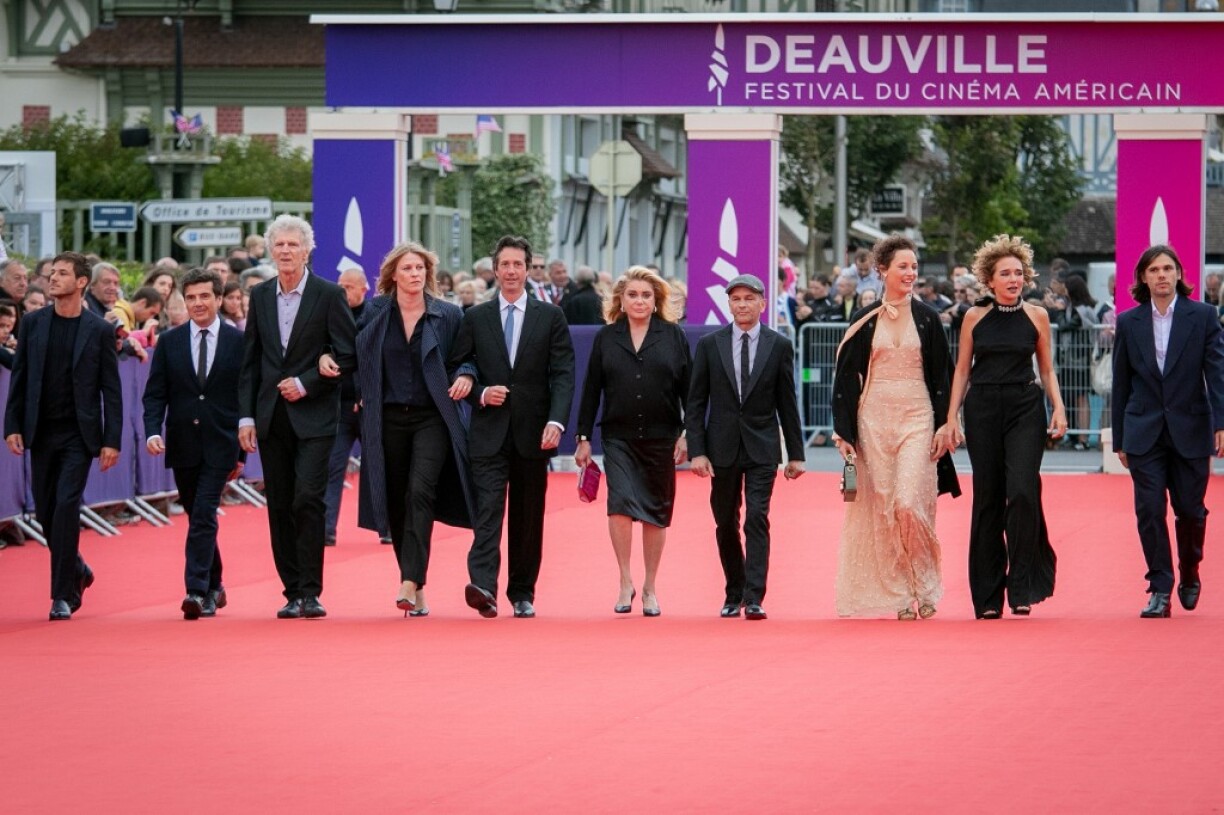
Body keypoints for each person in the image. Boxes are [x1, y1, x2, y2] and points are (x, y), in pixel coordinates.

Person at [326, 242, 475, 617]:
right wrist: (332, 362)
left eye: (420, 268)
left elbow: (466, 357)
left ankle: (409, 580)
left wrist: (466, 376)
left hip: (432, 417)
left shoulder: (447, 314)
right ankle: (416, 586)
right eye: (407, 268)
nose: (415, 274)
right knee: (394, 500)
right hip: (386, 417)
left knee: (420, 492)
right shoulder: (374, 311)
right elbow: (350, 350)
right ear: (393, 275)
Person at [832, 235, 960, 621]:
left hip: (918, 416)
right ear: (882, 270)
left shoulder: (928, 318)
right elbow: (845, 378)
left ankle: (926, 582)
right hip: (874, 419)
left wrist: (948, 422)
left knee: (908, 503)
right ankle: (902, 592)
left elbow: (944, 374)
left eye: (914, 266)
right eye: (903, 266)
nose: (910, 273)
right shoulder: (865, 318)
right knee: (885, 507)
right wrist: (844, 432)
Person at [448, 235, 576, 619]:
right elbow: (459, 366)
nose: (511, 271)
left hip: (533, 432)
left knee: (527, 516)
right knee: (487, 511)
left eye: (518, 264)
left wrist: (556, 420)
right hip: (488, 431)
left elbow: (563, 374)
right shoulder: (476, 317)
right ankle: (483, 586)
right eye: (504, 264)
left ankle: (522, 592)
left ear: (527, 269)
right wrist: (480, 392)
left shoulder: (550, 316)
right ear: (495, 268)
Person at [238, 214, 357, 620]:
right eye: (280, 244)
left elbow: (348, 355)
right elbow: (251, 360)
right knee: (280, 504)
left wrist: (307, 382)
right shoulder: (260, 295)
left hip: (315, 416)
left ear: (307, 251)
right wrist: (246, 417)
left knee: (308, 498)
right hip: (271, 417)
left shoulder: (328, 294)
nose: (286, 251)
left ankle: (311, 591)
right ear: (271, 251)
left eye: (293, 244)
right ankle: (291, 591)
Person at [944, 235, 1067, 619]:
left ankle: (1022, 585)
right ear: (990, 279)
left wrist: (1059, 408)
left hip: (1024, 407)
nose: (1014, 279)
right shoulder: (974, 317)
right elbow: (962, 370)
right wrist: (951, 416)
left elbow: (1046, 368)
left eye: (1018, 273)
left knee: (1023, 492)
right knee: (988, 499)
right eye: (1005, 274)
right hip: (982, 408)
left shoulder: (1037, 315)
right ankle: (988, 597)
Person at [4, 252, 122, 620]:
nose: (53, 278)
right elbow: (20, 377)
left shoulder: (99, 329)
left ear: (81, 282)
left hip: (78, 435)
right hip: (41, 432)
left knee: (67, 506)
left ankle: (61, 595)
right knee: (45, 512)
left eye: (62, 273)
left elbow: (111, 389)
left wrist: (111, 439)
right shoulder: (33, 323)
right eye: (52, 273)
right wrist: (12, 425)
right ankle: (78, 568)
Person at [1112, 244, 1224, 618]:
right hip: (1143, 430)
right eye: (1154, 270)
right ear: (1143, 278)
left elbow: (1217, 374)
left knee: (1190, 511)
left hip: (1191, 427)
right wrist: (1120, 437)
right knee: (1149, 510)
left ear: (1178, 274)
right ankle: (1160, 587)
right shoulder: (1129, 322)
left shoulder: (1203, 316)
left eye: (1167, 268)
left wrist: (1221, 422)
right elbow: (1121, 381)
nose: (1161, 275)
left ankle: (1189, 569)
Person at [686, 273, 805, 621]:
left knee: (756, 517)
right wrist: (697, 450)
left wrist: (796, 454)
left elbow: (787, 401)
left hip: (762, 446)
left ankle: (754, 596)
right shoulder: (710, 345)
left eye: (749, 299)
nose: (742, 305)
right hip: (720, 446)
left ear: (762, 304)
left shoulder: (778, 345)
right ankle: (733, 590)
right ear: (729, 304)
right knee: (725, 520)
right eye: (736, 299)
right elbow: (696, 402)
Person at [575, 266, 691, 617]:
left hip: (662, 436)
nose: (639, 301)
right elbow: (591, 389)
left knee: (656, 512)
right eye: (632, 295)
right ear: (621, 301)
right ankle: (625, 580)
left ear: (656, 301)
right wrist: (583, 437)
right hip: (618, 436)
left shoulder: (673, 336)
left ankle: (650, 587)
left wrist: (688, 434)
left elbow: (690, 391)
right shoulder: (606, 337)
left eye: (646, 295)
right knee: (620, 505)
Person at [142, 268, 244, 620]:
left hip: (222, 442)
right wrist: (152, 431)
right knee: (196, 514)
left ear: (219, 299)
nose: (198, 303)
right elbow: (155, 394)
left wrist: (241, 451)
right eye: (191, 298)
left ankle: (196, 591)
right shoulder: (169, 342)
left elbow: (245, 397)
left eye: (204, 296)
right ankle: (216, 584)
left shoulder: (238, 341)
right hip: (182, 442)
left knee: (203, 513)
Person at [321, 267, 372, 546]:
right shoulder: (331, 316)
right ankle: (326, 529)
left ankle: (387, 527)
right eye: (340, 285)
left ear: (364, 289)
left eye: (348, 287)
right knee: (332, 467)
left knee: (377, 469)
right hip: (339, 406)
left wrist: (368, 394)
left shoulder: (375, 316)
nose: (343, 291)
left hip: (369, 407)